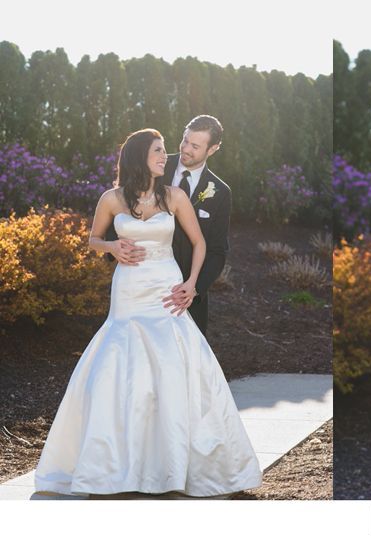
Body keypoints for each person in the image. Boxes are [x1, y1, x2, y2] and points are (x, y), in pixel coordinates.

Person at [34, 129, 261, 497]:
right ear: (140, 156)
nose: (165, 156)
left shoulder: (174, 196)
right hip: (128, 291)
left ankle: (172, 465)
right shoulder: (110, 199)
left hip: (166, 289)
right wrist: (112, 247)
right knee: (121, 366)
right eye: (158, 150)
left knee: (170, 366)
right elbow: (93, 240)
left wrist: (191, 283)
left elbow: (200, 242)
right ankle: (115, 465)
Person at [104, 115, 232, 335]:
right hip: (138, 286)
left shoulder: (220, 192)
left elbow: (217, 250)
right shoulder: (154, 164)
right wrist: (114, 247)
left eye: (195, 146)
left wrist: (194, 288)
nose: (186, 149)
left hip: (184, 295)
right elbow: (119, 206)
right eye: (185, 140)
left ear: (212, 149)